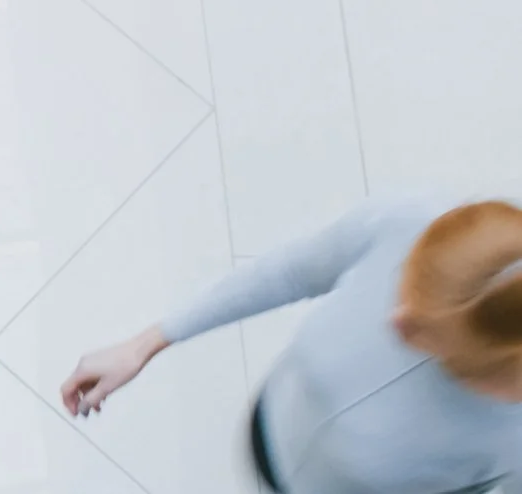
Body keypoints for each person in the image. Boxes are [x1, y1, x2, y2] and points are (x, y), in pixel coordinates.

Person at [61, 199, 522, 493]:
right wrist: (147, 342)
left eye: (422, 331)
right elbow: (290, 273)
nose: (395, 321)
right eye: (406, 294)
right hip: (270, 428)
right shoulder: (407, 227)